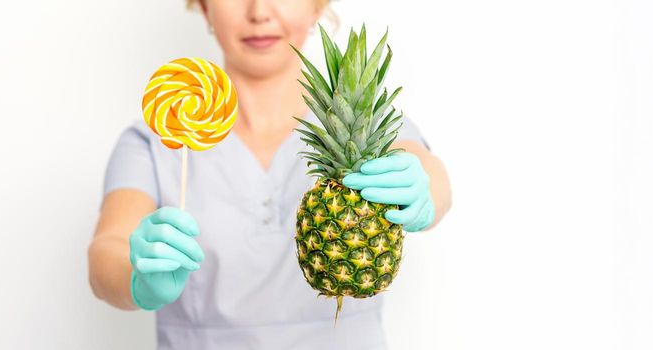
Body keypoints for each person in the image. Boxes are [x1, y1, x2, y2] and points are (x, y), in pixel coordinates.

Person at [87, 0, 452, 348]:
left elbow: (432, 177)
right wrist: (138, 278)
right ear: (203, 6)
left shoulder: (370, 130)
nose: (259, 11)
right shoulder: (157, 139)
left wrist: (422, 190)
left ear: (317, 6)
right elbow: (107, 252)